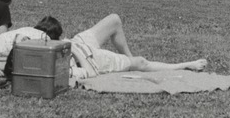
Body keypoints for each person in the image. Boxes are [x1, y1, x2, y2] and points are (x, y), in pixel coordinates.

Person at [39, 14, 207, 81]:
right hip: (91, 59)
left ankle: (129, 62)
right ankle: (185, 64)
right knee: (141, 62)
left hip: (77, 43)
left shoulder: (32, 40)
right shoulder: (57, 68)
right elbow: (82, 73)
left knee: (114, 19)